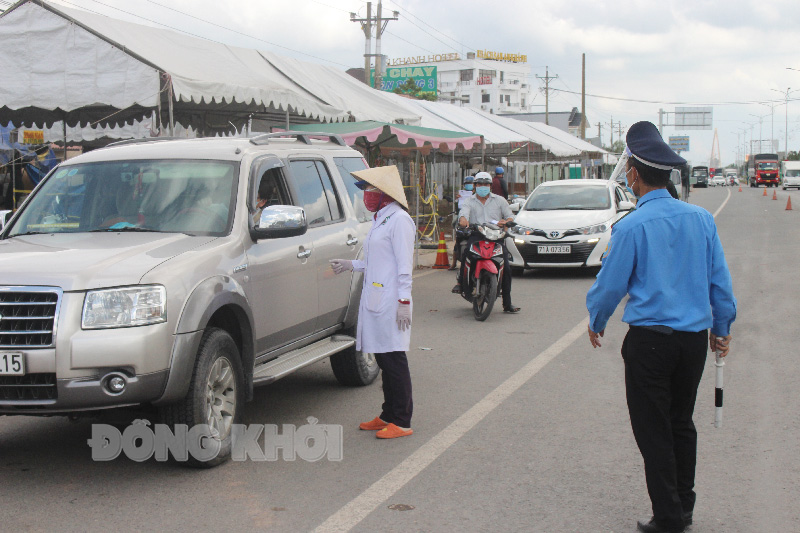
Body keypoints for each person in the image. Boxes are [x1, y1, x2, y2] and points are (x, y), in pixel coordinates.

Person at [586, 121, 737, 533]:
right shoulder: (702, 220)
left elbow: (610, 285)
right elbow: (719, 282)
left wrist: (596, 321)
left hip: (650, 344)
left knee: (653, 432)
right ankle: (683, 507)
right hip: (692, 344)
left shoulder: (631, 226)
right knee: (681, 424)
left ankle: (669, 518)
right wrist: (721, 328)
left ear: (634, 174)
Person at [329, 165, 416, 439]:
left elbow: (404, 266)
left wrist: (404, 300)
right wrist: (351, 264)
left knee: (393, 359)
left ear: (384, 194)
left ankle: (401, 420)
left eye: (369, 190)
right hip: (377, 297)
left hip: (391, 299)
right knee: (382, 355)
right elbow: (378, 260)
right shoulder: (381, 219)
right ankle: (388, 414)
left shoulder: (400, 220)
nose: (366, 195)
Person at [453, 171, 520, 313]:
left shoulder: (500, 200)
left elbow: (510, 216)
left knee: (506, 268)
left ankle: (507, 304)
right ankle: (461, 282)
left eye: (485, 184)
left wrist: (506, 222)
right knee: (466, 254)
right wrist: (463, 221)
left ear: (490, 186)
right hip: (477, 234)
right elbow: (463, 214)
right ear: (475, 186)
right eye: (480, 184)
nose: (482, 187)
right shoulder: (469, 201)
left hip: (496, 236)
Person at [450, 175, 474, 270]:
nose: (469, 186)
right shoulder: (462, 195)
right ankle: (454, 263)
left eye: (470, 184)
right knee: (458, 240)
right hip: (463, 221)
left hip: (473, 222)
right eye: (467, 184)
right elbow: (457, 209)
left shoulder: (478, 196)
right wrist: (457, 199)